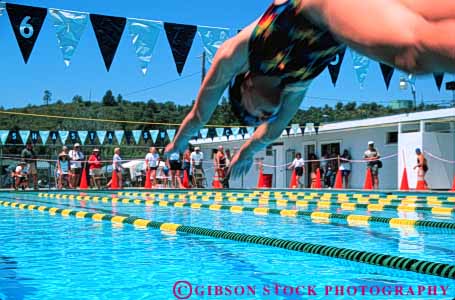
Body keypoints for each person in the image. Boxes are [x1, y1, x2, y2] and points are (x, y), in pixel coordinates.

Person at [165, 0, 455, 180]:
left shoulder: (237, 54)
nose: (263, 118)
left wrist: (177, 145)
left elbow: (199, 114)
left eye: (255, 116)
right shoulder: (295, 87)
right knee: (437, 16)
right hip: (344, 15)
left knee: (414, 53)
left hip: (318, 7)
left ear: (246, 86)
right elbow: (274, 130)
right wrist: (247, 150)